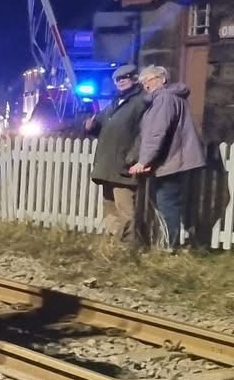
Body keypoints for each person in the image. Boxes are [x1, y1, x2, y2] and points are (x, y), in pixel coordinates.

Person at [128, 64, 206, 249]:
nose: (146, 85)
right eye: (143, 82)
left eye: (149, 80)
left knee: (166, 204)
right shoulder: (172, 97)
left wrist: (143, 161)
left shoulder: (163, 98)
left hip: (172, 162)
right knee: (174, 203)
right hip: (177, 160)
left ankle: (169, 246)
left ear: (162, 79)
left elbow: (156, 133)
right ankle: (183, 242)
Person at [84, 63, 150, 246]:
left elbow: (144, 134)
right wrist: (91, 126)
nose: (120, 82)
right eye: (117, 79)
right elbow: (101, 125)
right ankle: (116, 243)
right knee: (110, 207)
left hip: (123, 165)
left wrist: (133, 157)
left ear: (134, 79)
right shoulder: (114, 103)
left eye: (125, 78)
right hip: (107, 165)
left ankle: (129, 248)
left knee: (126, 210)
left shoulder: (141, 102)